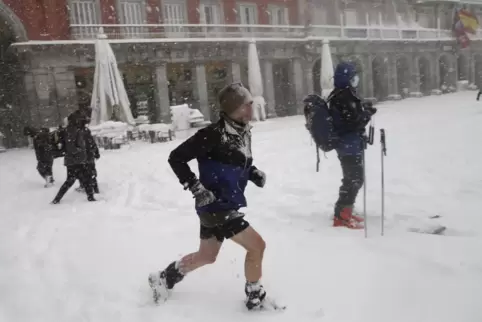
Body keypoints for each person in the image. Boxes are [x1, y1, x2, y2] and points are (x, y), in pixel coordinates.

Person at [148, 83, 268, 310]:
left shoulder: (242, 131)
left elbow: (241, 161)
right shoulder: (211, 135)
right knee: (257, 246)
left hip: (221, 205)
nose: (251, 108)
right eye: (247, 104)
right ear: (235, 108)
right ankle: (255, 295)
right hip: (216, 206)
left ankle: (165, 277)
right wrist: (196, 188)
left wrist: (253, 173)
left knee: (207, 256)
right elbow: (176, 158)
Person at [327, 62, 377, 229]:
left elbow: (350, 117)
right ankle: (341, 216)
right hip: (348, 145)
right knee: (354, 179)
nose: (356, 79)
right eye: (353, 76)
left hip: (349, 144)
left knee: (353, 178)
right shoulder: (344, 96)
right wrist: (367, 114)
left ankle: (345, 210)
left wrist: (363, 110)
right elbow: (353, 123)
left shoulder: (342, 94)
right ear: (347, 78)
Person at [51, 111, 95, 204]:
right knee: (79, 179)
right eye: (80, 119)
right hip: (76, 160)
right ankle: (90, 198)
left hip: (74, 160)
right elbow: (72, 147)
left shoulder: (70, 129)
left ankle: (57, 199)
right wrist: (80, 150)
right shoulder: (72, 130)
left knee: (78, 180)